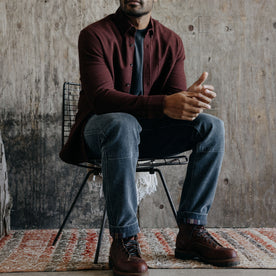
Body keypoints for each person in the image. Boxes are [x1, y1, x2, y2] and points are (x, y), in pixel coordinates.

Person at [60, 0, 240, 275]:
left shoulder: (172, 41)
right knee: (123, 124)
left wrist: (187, 100)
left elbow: (174, 105)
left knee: (211, 127)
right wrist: (164, 104)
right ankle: (124, 239)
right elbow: (101, 98)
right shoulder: (94, 35)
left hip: (148, 134)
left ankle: (191, 231)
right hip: (100, 131)